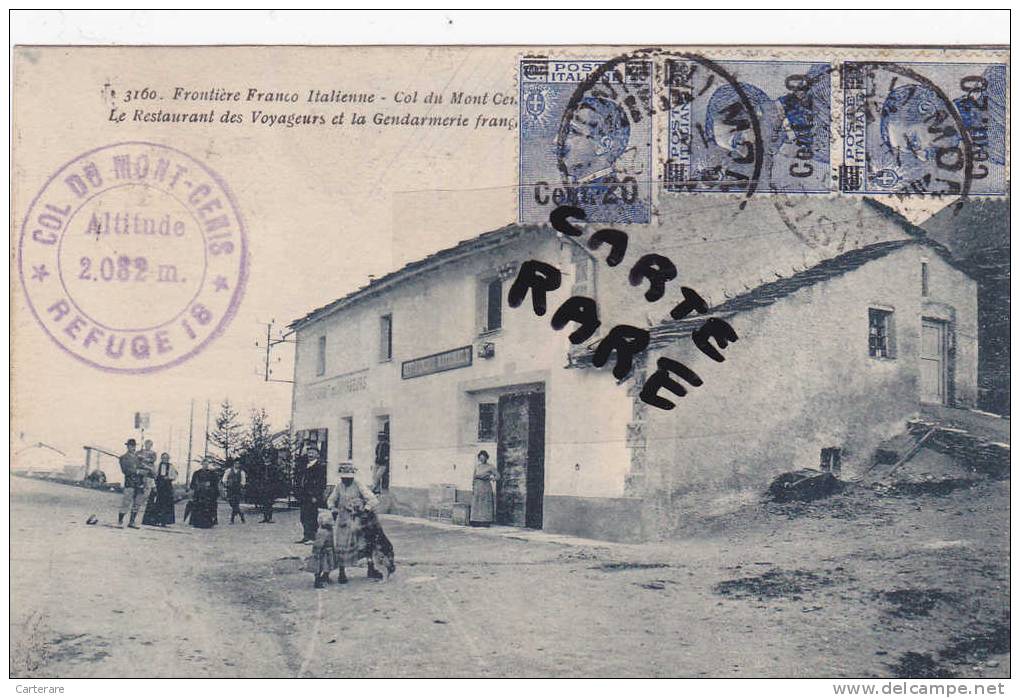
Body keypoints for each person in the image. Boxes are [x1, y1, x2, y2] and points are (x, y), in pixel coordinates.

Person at [327, 463, 396, 582]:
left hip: (358, 521)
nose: (346, 480)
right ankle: (342, 573)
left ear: (352, 477)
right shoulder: (339, 486)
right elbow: (331, 500)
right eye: (344, 478)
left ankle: (371, 568)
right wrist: (332, 508)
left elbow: (373, 499)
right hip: (343, 520)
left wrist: (365, 509)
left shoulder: (358, 485)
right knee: (341, 545)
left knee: (365, 544)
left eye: (348, 478)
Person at [295, 445, 326, 544]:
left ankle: (313, 537)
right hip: (304, 495)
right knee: (303, 516)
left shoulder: (320, 466)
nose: (310, 455)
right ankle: (306, 535)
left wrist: (316, 495)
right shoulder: (305, 465)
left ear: (317, 454)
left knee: (312, 516)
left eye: (313, 452)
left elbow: (321, 482)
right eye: (309, 453)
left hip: (312, 495)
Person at [117, 438, 147, 529]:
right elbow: (125, 470)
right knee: (126, 502)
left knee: (137, 503)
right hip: (130, 483)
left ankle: (132, 522)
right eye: (131, 446)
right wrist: (138, 472)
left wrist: (145, 468)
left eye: (134, 446)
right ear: (127, 447)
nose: (133, 448)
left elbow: (143, 467)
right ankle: (120, 520)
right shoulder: (123, 457)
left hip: (139, 483)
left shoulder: (138, 458)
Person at [142, 453, 177, 526]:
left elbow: (174, 476)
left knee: (166, 504)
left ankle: (164, 521)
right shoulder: (157, 466)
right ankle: (154, 521)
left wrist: (169, 477)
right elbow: (153, 475)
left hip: (167, 487)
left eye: (166, 458)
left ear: (168, 459)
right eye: (163, 458)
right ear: (161, 458)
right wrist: (154, 486)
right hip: (158, 486)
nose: (165, 459)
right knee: (156, 503)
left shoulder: (171, 466)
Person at [309, 510, 340, 588]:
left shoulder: (330, 531)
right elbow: (318, 544)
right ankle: (317, 580)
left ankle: (325, 576)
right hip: (322, 553)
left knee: (329, 566)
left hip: (329, 550)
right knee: (319, 567)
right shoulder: (322, 532)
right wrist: (316, 552)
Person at [188, 456, 220, 528]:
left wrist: (211, 486)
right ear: (201, 464)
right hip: (199, 493)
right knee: (198, 508)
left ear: (208, 465)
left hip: (209, 494)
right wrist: (195, 488)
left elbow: (215, 484)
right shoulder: (196, 473)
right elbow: (192, 484)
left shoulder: (212, 474)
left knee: (208, 508)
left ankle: (208, 523)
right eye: (204, 464)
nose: (205, 465)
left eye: (207, 464)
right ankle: (197, 523)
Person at [469, 449, 498, 527]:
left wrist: (491, 478)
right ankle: (475, 521)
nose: (482, 459)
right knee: (477, 504)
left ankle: (485, 522)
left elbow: (498, 476)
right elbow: (474, 478)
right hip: (477, 487)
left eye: (484, 458)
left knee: (485, 504)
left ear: (486, 458)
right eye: (480, 458)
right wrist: (473, 487)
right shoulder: (477, 467)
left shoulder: (490, 467)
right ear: (479, 458)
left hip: (486, 488)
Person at [371, 430, 389, 495]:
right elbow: (376, 452)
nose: (379, 438)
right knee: (374, 476)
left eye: (381, 437)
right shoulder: (378, 445)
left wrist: (385, 458)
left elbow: (387, 454)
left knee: (378, 476)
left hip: (383, 464)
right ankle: (377, 490)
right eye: (379, 436)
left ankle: (373, 488)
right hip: (377, 462)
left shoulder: (386, 445)